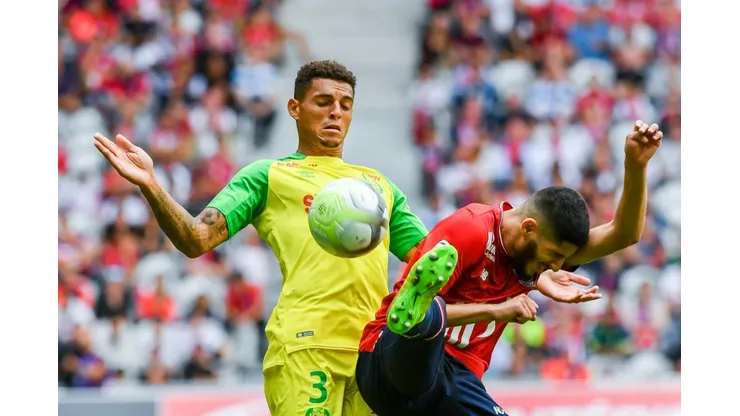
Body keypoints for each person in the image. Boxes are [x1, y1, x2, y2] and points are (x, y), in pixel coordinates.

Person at [93, 60, 428, 416]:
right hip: (305, 347)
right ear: (294, 108)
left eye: (345, 105)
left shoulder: (379, 187)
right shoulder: (268, 176)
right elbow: (196, 239)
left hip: (372, 353)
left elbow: (432, 259)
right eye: (323, 102)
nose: (335, 112)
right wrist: (152, 185)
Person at [356, 120, 663, 416]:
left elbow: (623, 235)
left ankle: (428, 315)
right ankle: (426, 311)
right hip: (386, 362)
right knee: (419, 323)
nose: (557, 266)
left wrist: (636, 166)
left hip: (455, 383)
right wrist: (496, 310)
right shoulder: (471, 230)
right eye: (554, 255)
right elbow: (399, 314)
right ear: (528, 228)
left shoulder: (538, 252)